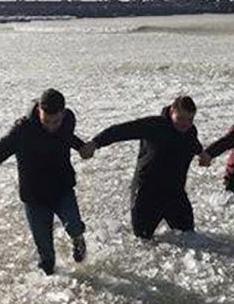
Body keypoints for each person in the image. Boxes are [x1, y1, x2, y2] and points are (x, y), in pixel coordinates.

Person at [0, 89, 92, 275]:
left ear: (63, 114)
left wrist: (81, 147)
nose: (51, 126)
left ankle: (78, 239)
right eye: (46, 121)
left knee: (74, 225)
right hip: (34, 196)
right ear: (39, 111)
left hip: (62, 188)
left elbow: (65, 137)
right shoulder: (22, 130)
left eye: (56, 121)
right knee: (47, 258)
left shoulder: (67, 121)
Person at [84, 95, 207, 240]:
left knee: (190, 237)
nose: (185, 124)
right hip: (146, 194)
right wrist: (95, 143)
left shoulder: (190, 131)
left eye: (190, 120)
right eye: (180, 119)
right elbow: (121, 131)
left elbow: (193, 143)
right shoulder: (154, 125)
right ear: (172, 111)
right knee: (142, 241)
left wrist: (202, 153)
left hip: (175, 194)